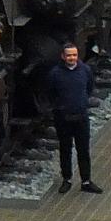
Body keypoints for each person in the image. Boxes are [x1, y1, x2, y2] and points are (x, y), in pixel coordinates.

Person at [44, 42, 101, 194]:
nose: (72, 58)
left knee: (83, 150)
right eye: (69, 55)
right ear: (63, 56)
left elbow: (89, 88)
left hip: (81, 116)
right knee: (65, 149)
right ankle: (67, 179)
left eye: (74, 55)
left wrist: (81, 103)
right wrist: (60, 107)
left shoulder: (85, 70)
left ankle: (86, 181)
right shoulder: (55, 73)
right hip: (63, 117)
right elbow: (50, 93)